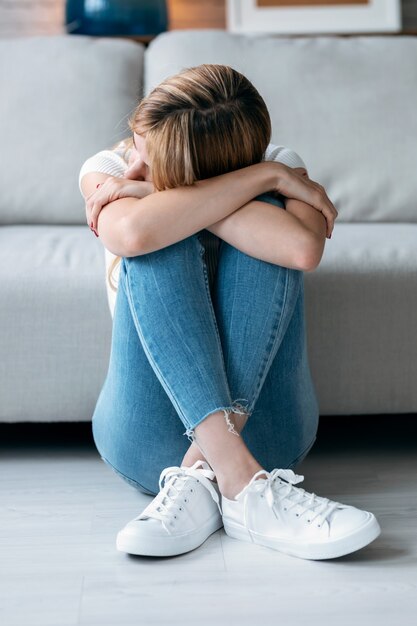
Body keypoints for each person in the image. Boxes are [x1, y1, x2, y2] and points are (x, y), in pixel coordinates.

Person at [79, 64, 380, 560]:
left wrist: (246, 181)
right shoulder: (108, 166)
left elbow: (302, 249)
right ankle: (241, 483)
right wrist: (266, 179)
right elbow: (131, 234)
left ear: (203, 168)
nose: (132, 161)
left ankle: (210, 473)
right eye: (136, 139)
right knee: (157, 239)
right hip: (149, 439)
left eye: (146, 155)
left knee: (263, 225)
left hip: (267, 428)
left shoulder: (280, 162)